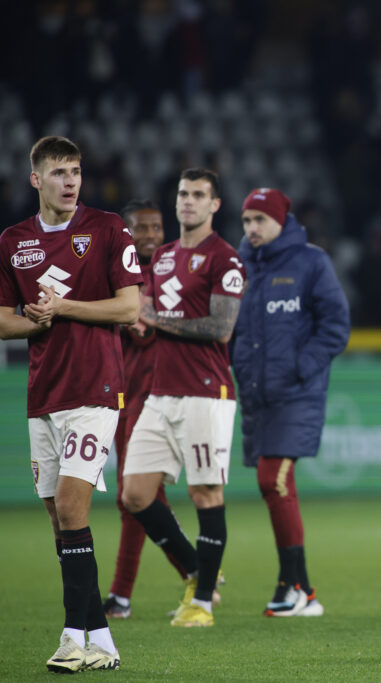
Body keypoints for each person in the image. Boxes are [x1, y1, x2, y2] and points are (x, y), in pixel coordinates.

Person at [0, 136, 142, 672]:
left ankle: (72, 637)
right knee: (59, 522)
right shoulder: (14, 242)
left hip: (95, 389)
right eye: (59, 172)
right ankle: (103, 642)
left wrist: (64, 307)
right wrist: (34, 318)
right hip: (44, 393)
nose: (70, 181)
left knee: (70, 507)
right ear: (35, 179)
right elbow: (1, 319)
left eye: (76, 171)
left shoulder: (106, 229)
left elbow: (130, 306)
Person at [121, 168, 245, 628]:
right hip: (161, 393)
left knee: (204, 492)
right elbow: (146, 317)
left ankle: (204, 603)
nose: (187, 202)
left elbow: (220, 328)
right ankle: (196, 569)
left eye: (198, 195)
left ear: (214, 205)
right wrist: (137, 322)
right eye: (182, 194)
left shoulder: (225, 259)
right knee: (134, 494)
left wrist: (155, 320)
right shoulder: (165, 257)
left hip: (206, 394)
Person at [231, 187, 350, 617]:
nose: (252, 228)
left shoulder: (311, 261)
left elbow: (336, 325)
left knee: (273, 480)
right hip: (257, 394)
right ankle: (296, 588)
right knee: (275, 485)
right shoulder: (239, 265)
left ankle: (298, 588)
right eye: (246, 221)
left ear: (282, 221)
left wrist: (302, 367)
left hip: (297, 392)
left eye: (260, 220)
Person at [103, 199, 192, 619]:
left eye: (157, 227)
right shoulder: (114, 275)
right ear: (126, 232)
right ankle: (194, 569)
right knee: (141, 496)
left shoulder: (173, 272)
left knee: (134, 497)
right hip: (123, 397)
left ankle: (128, 593)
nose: (152, 236)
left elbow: (140, 329)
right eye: (142, 229)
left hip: (161, 397)